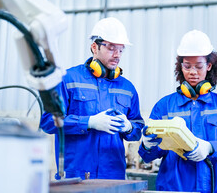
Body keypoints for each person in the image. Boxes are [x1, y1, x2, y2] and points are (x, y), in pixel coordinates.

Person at [138, 30, 217, 193]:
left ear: (209, 66)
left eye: (198, 66)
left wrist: (210, 148)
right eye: (187, 66)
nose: (192, 72)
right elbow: (148, 156)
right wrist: (147, 145)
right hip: (174, 189)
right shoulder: (165, 106)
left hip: (213, 188)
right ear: (180, 66)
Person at [40, 17, 145, 180]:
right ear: (94, 47)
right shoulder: (68, 80)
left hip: (113, 178)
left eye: (121, 49)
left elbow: (138, 129)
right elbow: (48, 122)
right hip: (75, 177)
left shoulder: (127, 89)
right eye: (111, 48)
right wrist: (88, 122)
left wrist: (129, 127)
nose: (117, 55)